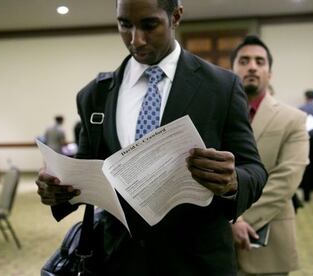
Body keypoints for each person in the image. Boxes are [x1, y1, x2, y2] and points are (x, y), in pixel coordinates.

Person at [35, 0, 267, 275]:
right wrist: (57, 190)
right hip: (118, 259)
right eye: (125, 25)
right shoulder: (95, 95)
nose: (136, 39)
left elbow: (254, 170)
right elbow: (86, 170)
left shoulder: (221, 87)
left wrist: (232, 182)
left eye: (149, 25)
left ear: (176, 16)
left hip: (195, 261)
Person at [230, 35, 309, 275]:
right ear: (232, 70)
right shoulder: (214, 115)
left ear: (269, 73)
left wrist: (239, 221)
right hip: (215, 246)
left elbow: (286, 180)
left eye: (259, 61)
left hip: (267, 239)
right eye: (244, 61)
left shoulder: (293, 119)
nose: (252, 66)